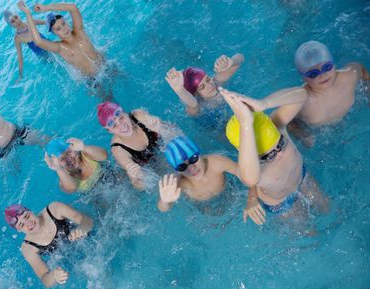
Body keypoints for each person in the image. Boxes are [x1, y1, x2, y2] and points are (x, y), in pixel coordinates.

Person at [220, 88, 327, 226]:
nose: (280, 154)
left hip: (303, 179)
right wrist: (246, 124)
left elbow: (301, 95)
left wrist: (265, 103)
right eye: (269, 156)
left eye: (281, 143)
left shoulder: (277, 125)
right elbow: (250, 179)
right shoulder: (248, 169)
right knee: (309, 233)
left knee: (327, 208)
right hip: (282, 204)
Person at [236, 41, 370, 144]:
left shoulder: (350, 75)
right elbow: (283, 121)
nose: (322, 75)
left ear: (333, 64)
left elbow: (364, 72)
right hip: (321, 136)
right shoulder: (303, 100)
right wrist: (301, 133)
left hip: (352, 125)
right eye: (313, 73)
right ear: (303, 77)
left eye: (326, 67)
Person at [4, 202, 93, 288]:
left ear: (31, 211)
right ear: (19, 230)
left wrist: (81, 229)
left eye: (27, 216)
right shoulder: (28, 248)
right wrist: (54, 276)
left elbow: (88, 220)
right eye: (21, 224)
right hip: (70, 259)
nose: (29, 223)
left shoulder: (55, 209)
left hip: (90, 237)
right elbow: (45, 279)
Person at [17, 1, 104, 77]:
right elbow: (38, 41)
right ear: (54, 33)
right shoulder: (60, 47)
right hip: (93, 80)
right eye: (58, 29)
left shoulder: (79, 31)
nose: (64, 28)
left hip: (106, 65)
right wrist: (28, 13)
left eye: (63, 23)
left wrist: (46, 8)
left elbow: (73, 8)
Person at [97, 101, 170, 190]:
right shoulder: (118, 149)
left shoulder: (139, 116)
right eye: (114, 126)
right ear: (109, 131)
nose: (122, 126)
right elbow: (139, 187)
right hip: (147, 165)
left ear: (125, 113)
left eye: (121, 118)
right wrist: (136, 177)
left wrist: (163, 129)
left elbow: (174, 131)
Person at [157, 136, 238, 212]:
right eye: (182, 166)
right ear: (178, 171)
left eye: (193, 159)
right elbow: (162, 208)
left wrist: (251, 197)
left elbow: (244, 173)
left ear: (199, 154)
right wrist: (165, 201)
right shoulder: (182, 183)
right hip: (203, 207)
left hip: (229, 193)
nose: (191, 168)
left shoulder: (217, 162)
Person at [165, 53, 244, 116]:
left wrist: (231, 62)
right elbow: (192, 104)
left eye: (208, 79)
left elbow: (241, 58)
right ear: (195, 94)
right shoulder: (200, 106)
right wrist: (179, 89)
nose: (210, 86)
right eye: (202, 87)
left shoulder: (217, 82)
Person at [2, 8, 48, 79]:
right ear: (11, 25)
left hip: (50, 45)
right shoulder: (18, 38)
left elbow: (46, 22)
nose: (16, 21)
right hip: (43, 56)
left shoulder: (30, 22)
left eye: (16, 17)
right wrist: (20, 75)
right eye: (12, 21)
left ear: (19, 15)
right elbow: (20, 57)